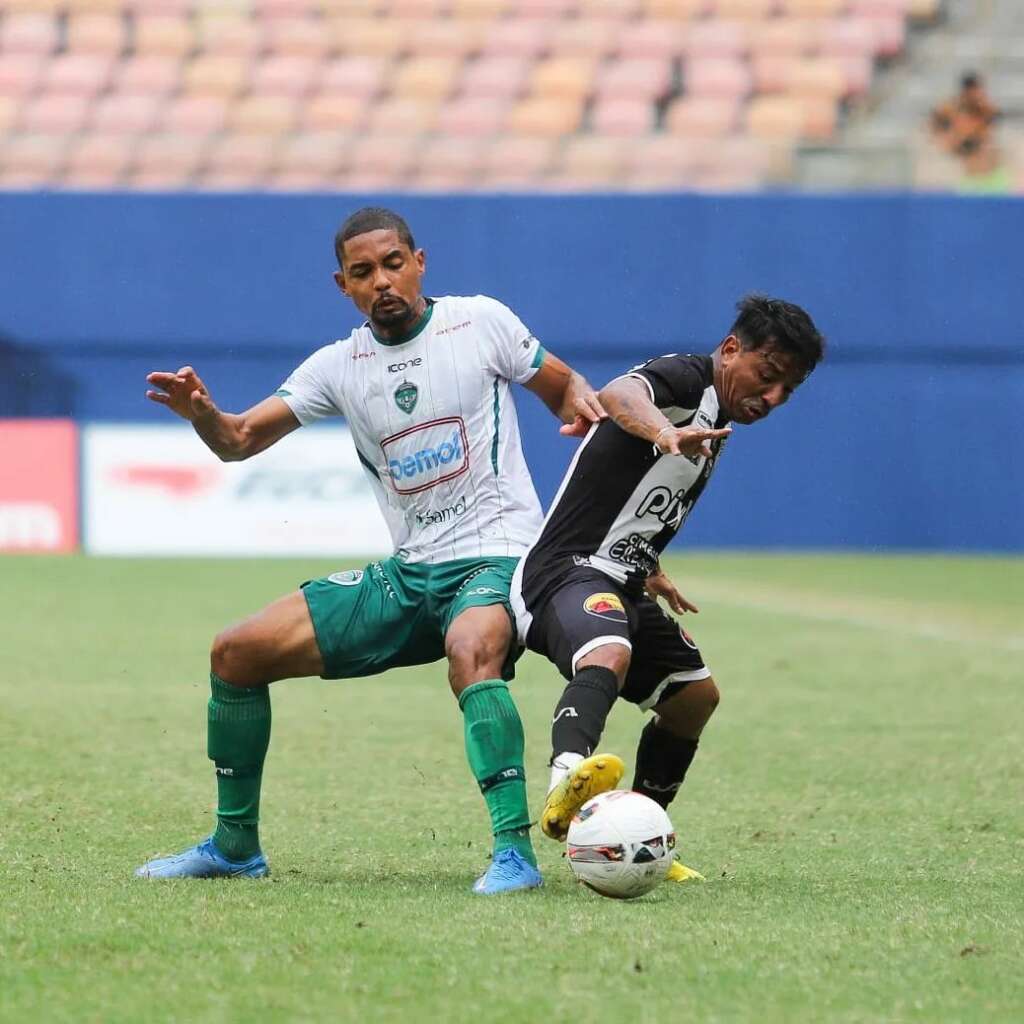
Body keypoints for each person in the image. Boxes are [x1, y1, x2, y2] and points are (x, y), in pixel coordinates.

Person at [135, 206, 605, 894]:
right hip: (411, 574)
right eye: (363, 272)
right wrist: (205, 414)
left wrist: (581, 405)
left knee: (472, 650)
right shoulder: (339, 365)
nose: (381, 281)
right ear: (343, 284)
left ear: (418, 262)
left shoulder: (480, 322)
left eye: (392, 264)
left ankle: (514, 854)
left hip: (497, 558)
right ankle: (235, 846)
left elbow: (561, 386)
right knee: (235, 653)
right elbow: (239, 440)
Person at [511, 295, 825, 881]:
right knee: (609, 651)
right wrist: (662, 431)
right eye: (769, 375)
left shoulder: (717, 422)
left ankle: (639, 836)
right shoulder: (686, 377)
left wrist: (649, 564)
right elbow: (618, 396)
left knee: (694, 699)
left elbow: (639, 499)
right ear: (732, 350)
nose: (774, 397)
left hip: (622, 580)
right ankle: (564, 791)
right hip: (562, 571)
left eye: (789, 389)